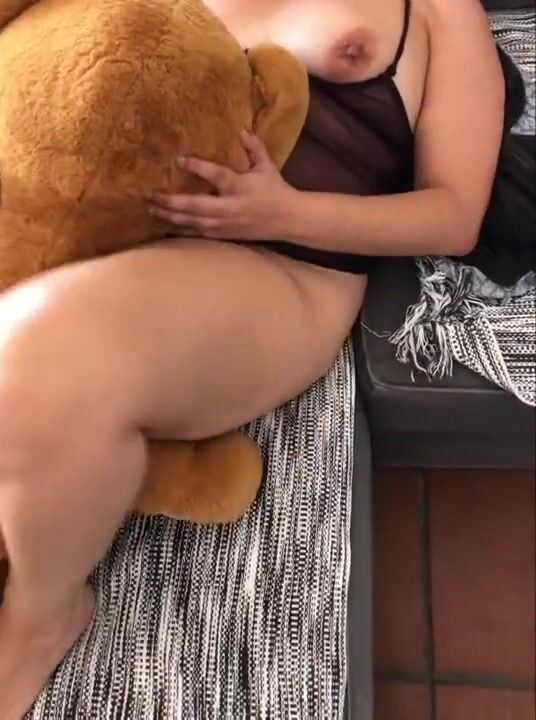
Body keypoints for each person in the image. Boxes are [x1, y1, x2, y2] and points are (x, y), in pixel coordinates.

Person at [0, 0, 505, 717]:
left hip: (280, 265)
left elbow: (453, 214)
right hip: (95, 213)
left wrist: (283, 212)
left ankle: (42, 615)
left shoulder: (442, 11)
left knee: (28, 371)